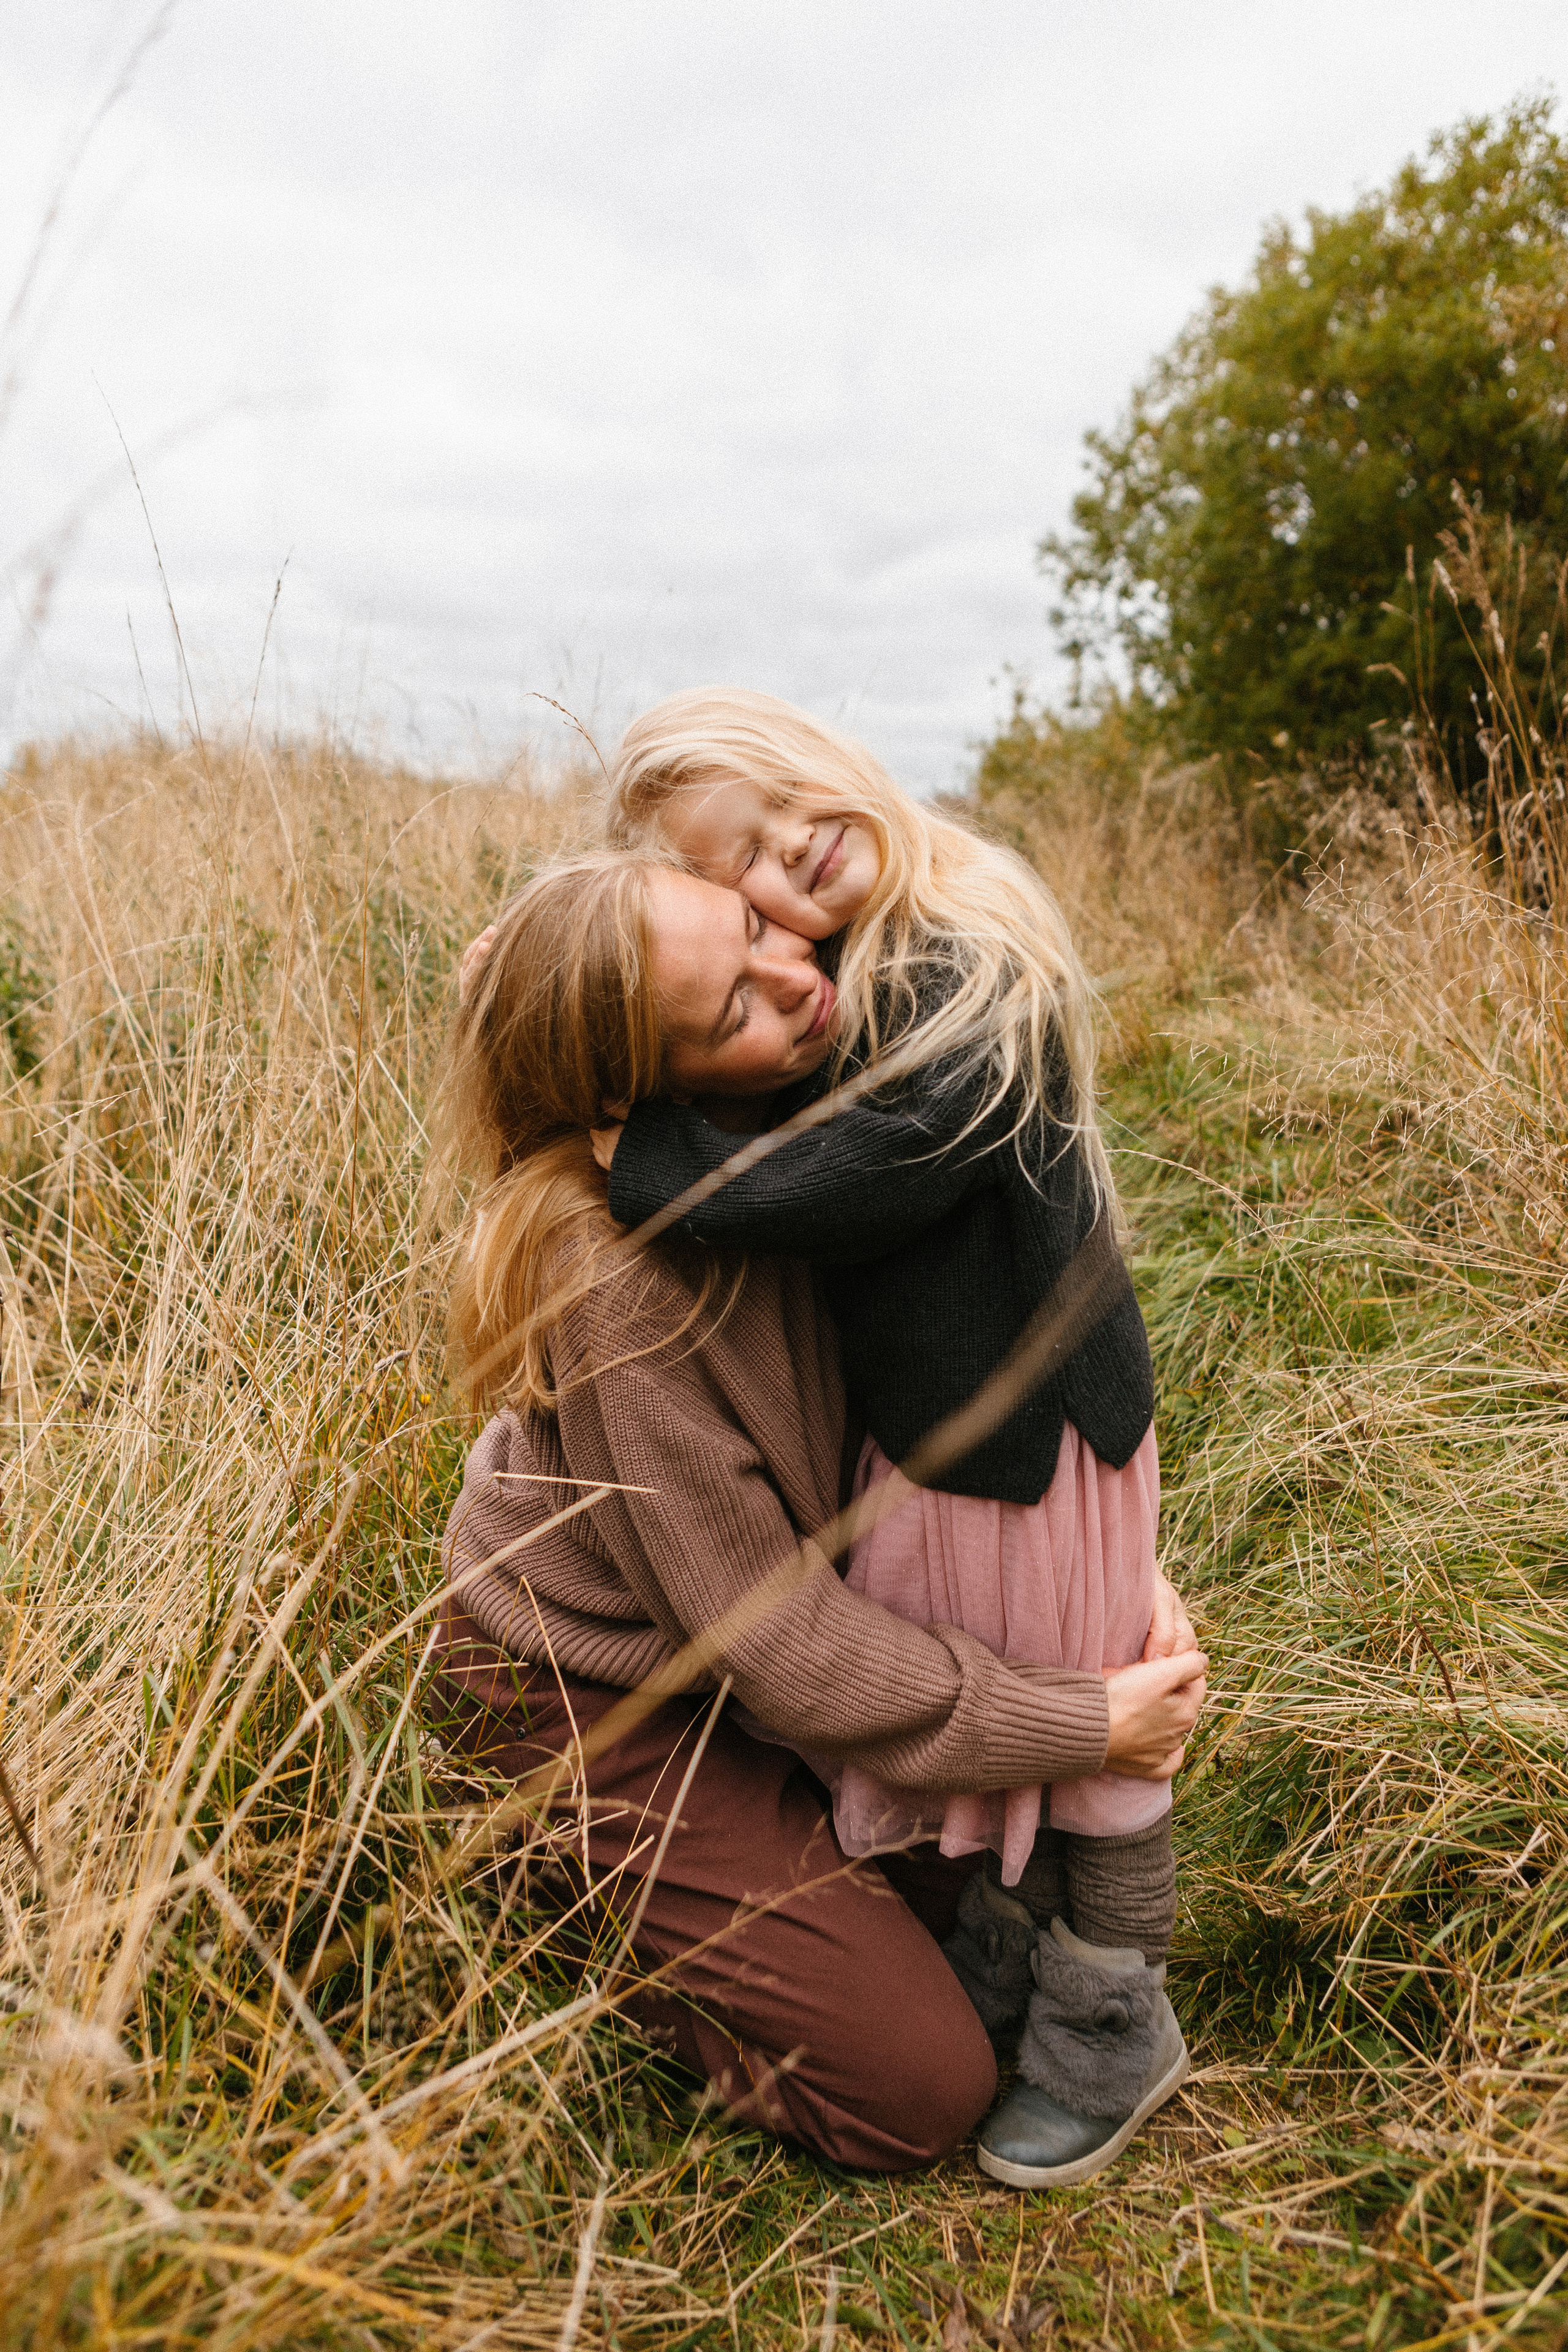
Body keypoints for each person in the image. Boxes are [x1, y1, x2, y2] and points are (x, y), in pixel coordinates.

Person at [436, 850, 1206, 2178]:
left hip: (762, 1654)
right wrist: (1076, 1717)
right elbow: (779, 1648)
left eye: (758, 933)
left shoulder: (828, 1123)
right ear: (635, 1097)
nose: (798, 984)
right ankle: (562, 1883)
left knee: (970, 1875)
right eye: (731, 1006)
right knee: (921, 2083)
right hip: (591, 1695)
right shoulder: (617, 1286)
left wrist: (1114, 1588)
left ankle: (764, 1881)